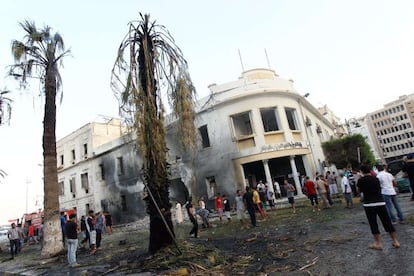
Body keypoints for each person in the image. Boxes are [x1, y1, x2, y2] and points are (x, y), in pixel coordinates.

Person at [357, 164, 400, 250]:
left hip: (369, 204)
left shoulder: (361, 180)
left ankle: (378, 243)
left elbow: (359, 190)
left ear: (362, 172)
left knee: (373, 223)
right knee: (387, 221)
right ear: (370, 170)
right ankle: (395, 241)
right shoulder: (376, 179)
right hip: (380, 202)